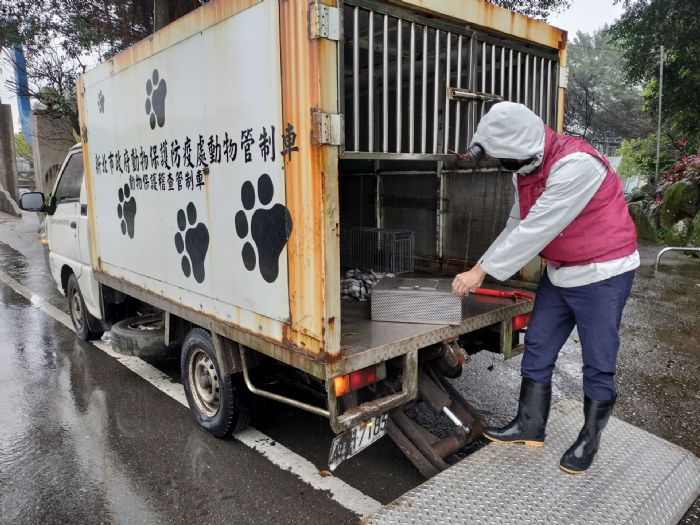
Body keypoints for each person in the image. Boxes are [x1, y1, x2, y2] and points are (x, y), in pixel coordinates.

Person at [452, 102, 638, 474]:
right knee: (537, 346)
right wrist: (480, 268)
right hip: (561, 270)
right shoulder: (524, 170)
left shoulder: (577, 165)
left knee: (598, 362)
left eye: (506, 161)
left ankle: (590, 439)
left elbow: (536, 229)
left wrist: (480, 272)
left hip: (603, 273)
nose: (505, 168)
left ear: (528, 151)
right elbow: (515, 224)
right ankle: (530, 426)